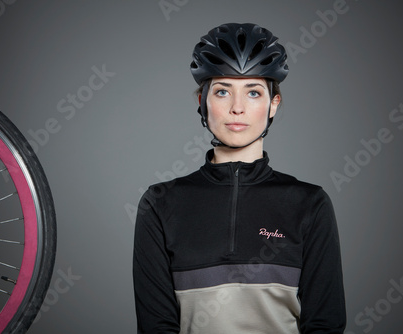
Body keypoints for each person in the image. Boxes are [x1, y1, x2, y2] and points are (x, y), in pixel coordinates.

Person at [133, 23, 346, 333]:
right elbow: (156, 328)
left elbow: (325, 325)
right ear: (202, 102)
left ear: (273, 104)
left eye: (254, 92)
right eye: (222, 91)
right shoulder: (160, 203)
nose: (237, 108)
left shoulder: (310, 204)